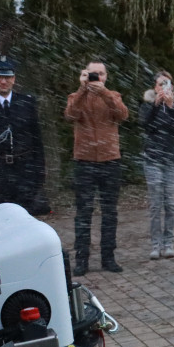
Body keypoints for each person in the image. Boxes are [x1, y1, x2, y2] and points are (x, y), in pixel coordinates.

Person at [65, 60, 130, 275]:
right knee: (83, 213)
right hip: (84, 162)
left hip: (110, 161)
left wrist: (104, 93)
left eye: (100, 74)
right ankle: (81, 259)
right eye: (93, 74)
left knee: (109, 212)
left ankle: (108, 257)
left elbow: (122, 115)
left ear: (106, 76)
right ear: (84, 75)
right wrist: (83, 88)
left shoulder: (113, 96)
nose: (97, 78)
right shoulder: (76, 97)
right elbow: (71, 115)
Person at [0, 58, 49, 214]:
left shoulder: (26, 103)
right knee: (1, 217)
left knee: (26, 217)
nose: (3, 81)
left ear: (13, 79)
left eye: (7, 77)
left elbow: (36, 140)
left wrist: (39, 173)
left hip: (24, 170)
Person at [138, 71, 174, 260]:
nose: (163, 87)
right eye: (160, 84)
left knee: (170, 203)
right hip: (152, 159)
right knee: (155, 204)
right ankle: (155, 244)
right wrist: (156, 105)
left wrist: (171, 106)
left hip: (173, 161)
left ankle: (168, 243)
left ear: (172, 87)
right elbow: (144, 123)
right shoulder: (147, 104)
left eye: (166, 84)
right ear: (155, 87)